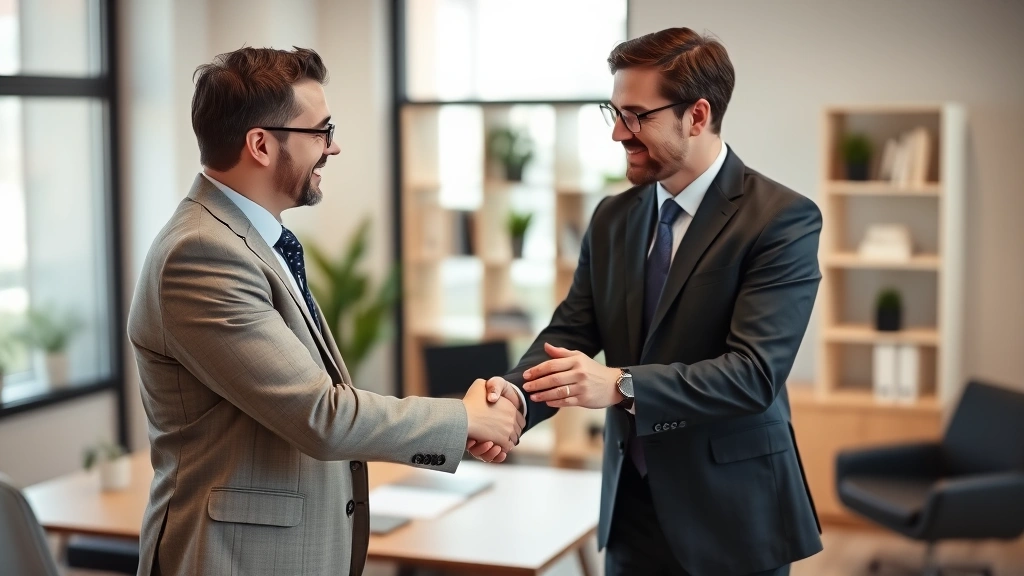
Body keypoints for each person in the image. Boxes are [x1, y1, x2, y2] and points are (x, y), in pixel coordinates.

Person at [127, 47, 523, 576]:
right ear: (261, 144)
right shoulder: (201, 255)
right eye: (321, 130)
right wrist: (465, 419)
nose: (333, 147)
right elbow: (320, 416)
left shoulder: (250, 241)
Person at [473, 28, 823, 575]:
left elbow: (754, 374)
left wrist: (620, 383)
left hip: (732, 512)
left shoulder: (781, 220)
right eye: (612, 112)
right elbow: (570, 335)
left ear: (698, 116)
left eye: (636, 116)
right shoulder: (613, 217)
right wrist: (514, 402)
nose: (618, 133)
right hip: (632, 505)